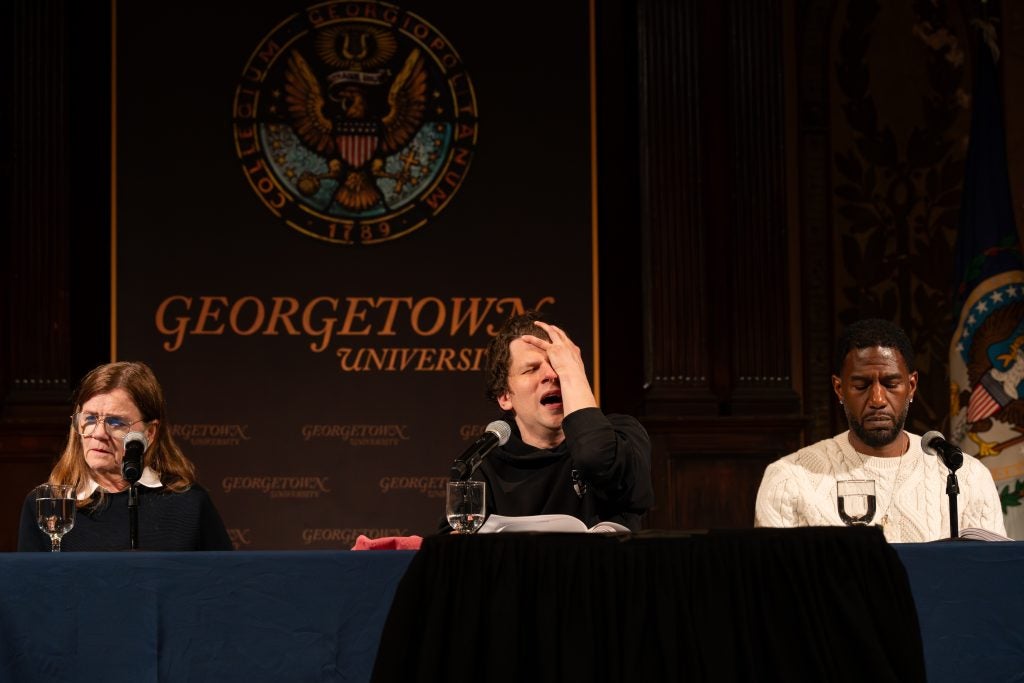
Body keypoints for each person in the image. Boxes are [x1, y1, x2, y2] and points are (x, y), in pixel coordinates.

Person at [754, 318, 1006, 542]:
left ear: (911, 385)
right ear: (839, 389)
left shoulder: (967, 477)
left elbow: (991, 573)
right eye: (861, 385)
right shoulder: (789, 479)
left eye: (891, 384)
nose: (877, 399)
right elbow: (773, 578)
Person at [457, 311, 654, 531]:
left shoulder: (623, 436)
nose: (552, 374)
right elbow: (455, 541)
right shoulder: (485, 465)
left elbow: (596, 459)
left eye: (558, 364)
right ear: (505, 396)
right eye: (531, 369)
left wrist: (572, 372)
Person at [18, 361, 233, 551]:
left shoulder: (190, 503)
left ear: (149, 433)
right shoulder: (47, 505)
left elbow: (224, 580)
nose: (99, 433)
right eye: (90, 419)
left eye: (116, 422)